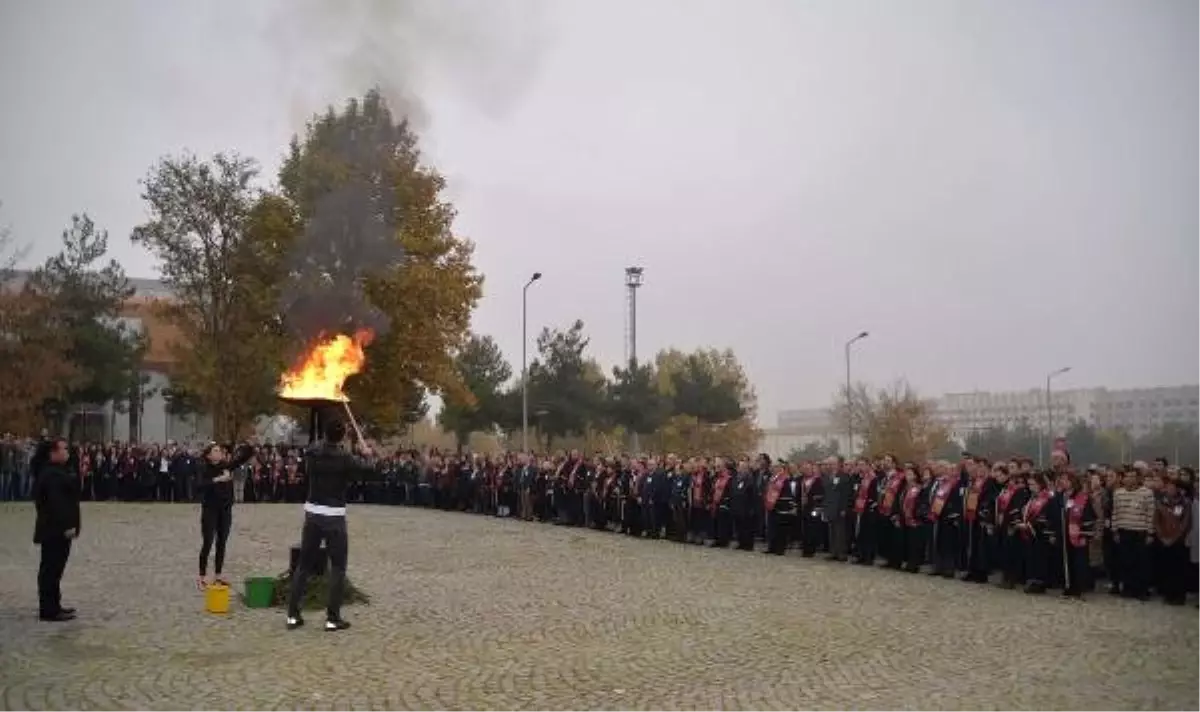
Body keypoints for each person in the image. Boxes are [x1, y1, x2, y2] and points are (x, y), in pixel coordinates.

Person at [286, 419, 377, 632]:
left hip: (313, 513)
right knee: (337, 567)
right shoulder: (345, 457)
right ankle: (332, 618)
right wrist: (367, 454)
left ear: (324, 435)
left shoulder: (313, 453)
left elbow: (310, 452)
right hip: (334, 516)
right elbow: (369, 471)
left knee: (304, 566)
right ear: (343, 436)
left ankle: (292, 615)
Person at [32, 437, 81, 622]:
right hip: (55, 529)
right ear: (53, 453)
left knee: (54, 568)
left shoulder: (56, 471)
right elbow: (57, 505)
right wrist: (67, 526)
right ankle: (49, 609)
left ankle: (54, 604)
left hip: (54, 528)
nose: (67, 451)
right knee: (51, 569)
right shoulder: (51, 474)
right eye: (64, 449)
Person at [197, 442, 253, 589]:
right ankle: (202, 576)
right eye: (215, 451)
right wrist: (217, 480)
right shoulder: (204, 467)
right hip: (210, 510)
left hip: (225, 509)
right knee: (208, 542)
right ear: (209, 455)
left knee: (222, 542)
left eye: (219, 451)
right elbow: (199, 485)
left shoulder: (226, 466)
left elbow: (241, 459)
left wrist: (250, 446)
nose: (219, 453)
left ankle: (218, 574)